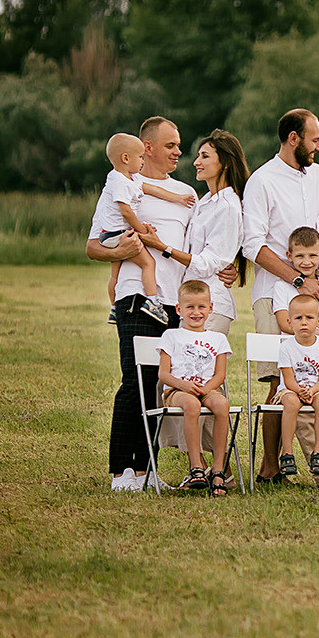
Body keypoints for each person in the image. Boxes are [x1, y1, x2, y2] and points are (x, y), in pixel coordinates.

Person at [90, 116, 195, 493]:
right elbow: (93, 245)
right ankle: (122, 471)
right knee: (134, 382)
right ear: (145, 148)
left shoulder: (185, 194)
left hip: (173, 302)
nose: (178, 152)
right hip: (136, 298)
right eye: (170, 145)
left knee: (156, 385)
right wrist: (124, 250)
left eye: (179, 145)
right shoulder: (122, 185)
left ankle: (148, 468)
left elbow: (195, 248)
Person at [241, 109, 319, 482]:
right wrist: (300, 282)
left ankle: (318, 464)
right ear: (293, 139)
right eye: (314, 139)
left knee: (313, 374)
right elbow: (252, 244)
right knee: (277, 380)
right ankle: (271, 467)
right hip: (275, 295)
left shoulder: (318, 176)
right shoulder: (262, 181)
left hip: (317, 293)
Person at [145, 129, 248, 458]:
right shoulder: (205, 202)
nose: (196, 161)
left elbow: (210, 261)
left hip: (213, 306)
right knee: (187, 380)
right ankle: (202, 465)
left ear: (224, 163)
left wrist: (164, 248)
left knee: (204, 385)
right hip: (194, 301)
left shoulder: (229, 206)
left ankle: (217, 469)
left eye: (205, 156)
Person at [92, 132, 182, 323]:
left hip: (110, 235)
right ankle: (152, 301)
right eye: (140, 157)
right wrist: (141, 230)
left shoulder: (127, 178)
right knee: (148, 264)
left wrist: (177, 197)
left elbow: (153, 189)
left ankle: (114, 308)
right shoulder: (120, 182)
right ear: (126, 158)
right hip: (118, 235)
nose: (142, 161)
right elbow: (126, 212)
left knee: (114, 274)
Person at [155, 280, 234, 497]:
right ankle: (196, 466)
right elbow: (163, 374)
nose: (196, 312)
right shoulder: (171, 335)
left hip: (207, 388)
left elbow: (219, 375)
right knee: (191, 404)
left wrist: (205, 388)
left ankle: (218, 469)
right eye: (190, 307)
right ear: (179, 309)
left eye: (201, 307)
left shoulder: (218, 339)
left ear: (210, 308)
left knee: (221, 403)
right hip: (177, 390)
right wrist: (184, 386)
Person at [274, 293, 319, 486]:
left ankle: (318, 453)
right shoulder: (286, 347)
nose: (304, 323)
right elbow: (288, 379)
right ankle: (287, 452)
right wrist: (300, 390)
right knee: (292, 401)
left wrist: (312, 391)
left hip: (317, 388)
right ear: (289, 322)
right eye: (298, 318)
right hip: (290, 390)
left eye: (309, 318)